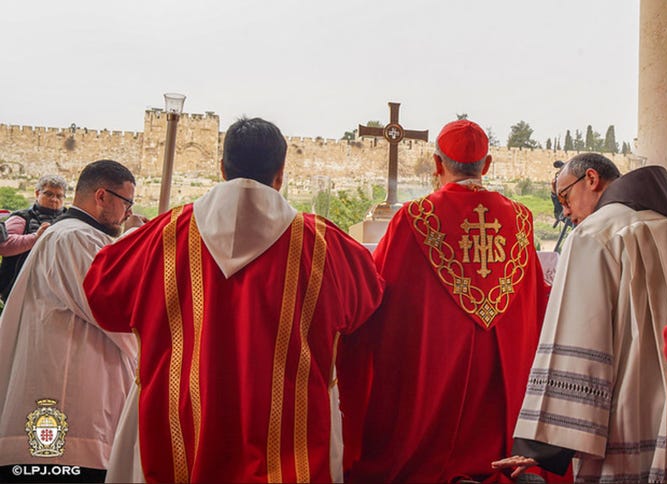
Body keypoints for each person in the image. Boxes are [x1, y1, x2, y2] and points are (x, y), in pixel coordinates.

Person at [82, 117, 384, 483]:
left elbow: (102, 298)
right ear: (280, 174)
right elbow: (367, 301)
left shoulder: (157, 240)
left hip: (174, 436)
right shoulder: (327, 248)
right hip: (293, 450)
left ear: (222, 168)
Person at [492, 153, 667, 483]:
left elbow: (578, 336)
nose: (565, 211)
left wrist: (544, 446)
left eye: (565, 197)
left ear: (591, 180)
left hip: (630, 417)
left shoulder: (595, 234)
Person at [339, 119, 551, 483]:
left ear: (437, 165)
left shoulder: (415, 217)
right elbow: (536, 297)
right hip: (499, 367)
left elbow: (377, 292)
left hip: (434, 361)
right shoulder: (519, 218)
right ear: (487, 165)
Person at [0, 160, 140, 482]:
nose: (127, 213)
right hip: (67, 418)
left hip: (76, 414)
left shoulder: (76, 235)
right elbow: (116, 311)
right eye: (126, 203)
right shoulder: (75, 238)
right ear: (102, 196)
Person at [0, 174, 69, 301]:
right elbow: (4, 246)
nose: (54, 199)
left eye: (59, 196)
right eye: (48, 194)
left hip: (58, 294)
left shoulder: (71, 220)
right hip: (21, 292)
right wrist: (36, 237)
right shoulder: (21, 217)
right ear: (37, 193)